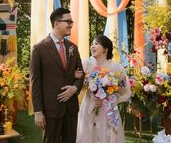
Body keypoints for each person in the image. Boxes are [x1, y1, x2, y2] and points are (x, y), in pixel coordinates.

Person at [29, 7, 84, 143]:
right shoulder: (39, 48)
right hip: (50, 109)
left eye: (72, 21)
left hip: (71, 108)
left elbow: (81, 73)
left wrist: (75, 88)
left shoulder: (73, 47)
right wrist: (38, 111)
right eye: (68, 21)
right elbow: (35, 82)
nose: (71, 24)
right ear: (56, 23)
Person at [76, 35, 131, 143]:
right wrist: (81, 80)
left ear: (105, 49)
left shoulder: (116, 68)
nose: (92, 46)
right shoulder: (86, 64)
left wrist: (108, 100)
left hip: (108, 111)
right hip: (89, 107)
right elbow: (80, 87)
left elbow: (126, 91)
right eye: (92, 44)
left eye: (96, 44)